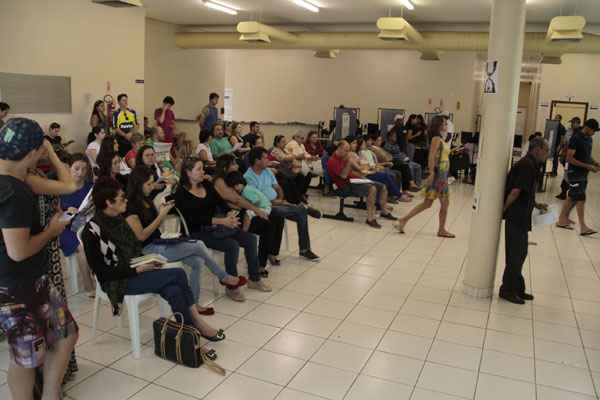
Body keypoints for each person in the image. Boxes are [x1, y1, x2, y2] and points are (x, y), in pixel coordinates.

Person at [81, 177, 225, 343]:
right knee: (178, 273)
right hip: (117, 281)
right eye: (121, 198)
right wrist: (136, 269)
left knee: (174, 290)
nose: (125, 200)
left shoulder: (118, 219)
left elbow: (135, 250)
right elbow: (102, 273)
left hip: (135, 269)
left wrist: (147, 261)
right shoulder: (91, 231)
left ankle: (189, 336)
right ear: (109, 202)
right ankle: (196, 324)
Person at [0, 118, 78, 400]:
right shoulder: (14, 191)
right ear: (32, 153)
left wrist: (52, 152)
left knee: (66, 334)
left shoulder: (17, 177)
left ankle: (50, 394)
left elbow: (69, 185)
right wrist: (53, 230)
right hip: (15, 285)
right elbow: (18, 251)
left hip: (33, 279)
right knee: (27, 355)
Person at [125, 166, 245, 313]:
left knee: (197, 261)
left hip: (159, 242)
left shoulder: (146, 200)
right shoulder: (130, 207)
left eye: (152, 183)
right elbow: (141, 236)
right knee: (199, 245)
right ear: (138, 184)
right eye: (148, 184)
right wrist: (161, 215)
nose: (152, 186)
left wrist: (162, 211)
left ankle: (193, 305)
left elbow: (155, 225)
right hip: (147, 250)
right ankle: (224, 276)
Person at [175, 157, 271, 302]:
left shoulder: (206, 185)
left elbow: (220, 203)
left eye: (203, 168)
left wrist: (229, 214)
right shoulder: (181, 193)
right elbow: (193, 220)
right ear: (188, 173)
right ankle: (231, 287)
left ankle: (254, 279)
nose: (203, 172)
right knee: (231, 245)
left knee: (250, 239)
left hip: (217, 227)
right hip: (197, 231)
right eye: (199, 169)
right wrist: (222, 221)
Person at [245, 148, 320, 261]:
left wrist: (280, 198)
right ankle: (303, 208)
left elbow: (277, 187)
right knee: (297, 211)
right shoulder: (249, 176)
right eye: (265, 158)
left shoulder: (267, 171)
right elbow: (257, 199)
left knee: (301, 213)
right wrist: (277, 202)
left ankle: (305, 250)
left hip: (277, 202)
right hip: (264, 207)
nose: (268, 160)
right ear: (257, 161)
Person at [500, 137, 550, 304]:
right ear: (537, 149)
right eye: (546, 150)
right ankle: (507, 290)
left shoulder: (531, 165)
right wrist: (503, 210)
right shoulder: (526, 166)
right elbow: (515, 191)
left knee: (520, 253)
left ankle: (517, 288)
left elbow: (525, 191)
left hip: (522, 217)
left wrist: (536, 204)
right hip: (516, 217)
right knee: (515, 254)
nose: (547, 154)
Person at [213, 154, 280, 273]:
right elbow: (236, 199)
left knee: (276, 217)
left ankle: (270, 253)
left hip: (241, 211)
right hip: (230, 216)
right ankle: (260, 265)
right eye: (233, 164)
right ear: (225, 167)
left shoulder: (232, 178)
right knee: (267, 226)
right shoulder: (219, 181)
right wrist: (256, 209)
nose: (237, 165)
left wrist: (257, 208)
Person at [395, 116, 455, 238]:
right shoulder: (437, 138)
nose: (446, 125)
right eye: (444, 123)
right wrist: (432, 173)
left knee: (427, 203)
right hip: (439, 176)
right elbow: (431, 156)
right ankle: (441, 229)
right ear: (438, 125)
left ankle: (403, 220)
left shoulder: (440, 139)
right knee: (444, 203)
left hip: (441, 174)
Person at [327, 141, 395, 229]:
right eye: (346, 150)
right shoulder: (332, 161)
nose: (347, 153)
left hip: (354, 181)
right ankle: (370, 219)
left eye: (348, 150)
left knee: (382, 186)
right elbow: (343, 176)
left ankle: (384, 211)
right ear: (339, 149)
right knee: (372, 189)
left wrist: (362, 176)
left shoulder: (344, 157)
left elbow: (357, 170)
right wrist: (349, 163)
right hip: (344, 185)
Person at [556, 118, 600, 235]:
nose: (594, 133)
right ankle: (583, 227)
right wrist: (587, 166)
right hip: (574, 173)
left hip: (583, 174)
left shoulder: (589, 139)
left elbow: (586, 155)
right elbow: (569, 158)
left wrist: (594, 163)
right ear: (588, 128)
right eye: (593, 130)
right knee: (580, 198)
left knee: (572, 197)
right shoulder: (576, 138)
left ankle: (562, 220)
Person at [59, 154, 95, 295]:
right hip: (67, 229)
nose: (80, 173)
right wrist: (67, 212)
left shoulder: (90, 187)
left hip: (87, 224)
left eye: (84, 169)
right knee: (82, 246)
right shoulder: (61, 188)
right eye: (76, 168)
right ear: (69, 168)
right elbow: (57, 217)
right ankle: (88, 286)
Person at [354, 138, 410, 202]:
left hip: (371, 170)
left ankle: (395, 194)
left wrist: (378, 166)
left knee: (396, 173)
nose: (365, 144)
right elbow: (365, 167)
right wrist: (375, 167)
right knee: (388, 175)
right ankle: (397, 195)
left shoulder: (368, 151)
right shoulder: (360, 153)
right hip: (367, 173)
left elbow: (373, 163)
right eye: (363, 143)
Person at [556, 117, 582, 199]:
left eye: (574, 122)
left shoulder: (580, 133)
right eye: (572, 122)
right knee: (567, 173)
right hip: (567, 157)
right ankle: (564, 192)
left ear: (578, 123)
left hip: (574, 158)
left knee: (569, 175)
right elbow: (565, 143)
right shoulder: (569, 131)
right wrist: (561, 152)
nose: (572, 124)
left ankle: (569, 192)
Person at [112, 93, 139, 158]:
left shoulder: (132, 112)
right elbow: (115, 128)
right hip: (121, 140)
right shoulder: (116, 113)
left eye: (126, 100)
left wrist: (131, 133)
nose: (126, 102)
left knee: (132, 157)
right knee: (122, 157)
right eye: (123, 100)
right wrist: (125, 135)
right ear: (119, 102)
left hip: (132, 139)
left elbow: (136, 125)